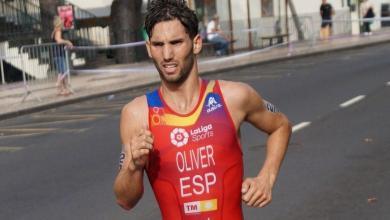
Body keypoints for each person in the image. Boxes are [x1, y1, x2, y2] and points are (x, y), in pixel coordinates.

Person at [113, 1, 292, 219]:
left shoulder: (233, 97)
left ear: (196, 43)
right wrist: (132, 166)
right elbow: (125, 200)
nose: (167, 54)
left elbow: (281, 125)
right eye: (158, 45)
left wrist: (266, 178)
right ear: (149, 48)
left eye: (176, 42)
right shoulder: (137, 113)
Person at [51, 16, 73, 96]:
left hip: (56, 54)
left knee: (61, 72)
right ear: (59, 22)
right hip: (59, 53)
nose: (63, 22)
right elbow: (58, 40)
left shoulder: (54, 31)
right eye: (62, 21)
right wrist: (67, 42)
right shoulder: (58, 30)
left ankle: (63, 89)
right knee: (63, 72)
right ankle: (59, 84)